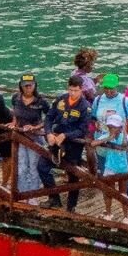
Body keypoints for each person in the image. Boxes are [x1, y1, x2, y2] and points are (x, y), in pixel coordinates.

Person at [45, 76, 94, 212]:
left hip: (74, 145)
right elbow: (49, 117)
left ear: (81, 90)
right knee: (42, 166)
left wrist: (66, 135)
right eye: (70, 90)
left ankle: (71, 206)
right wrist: (48, 132)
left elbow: (82, 129)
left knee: (73, 175)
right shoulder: (60, 99)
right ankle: (54, 198)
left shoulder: (85, 107)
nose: (72, 93)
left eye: (76, 90)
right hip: (56, 142)